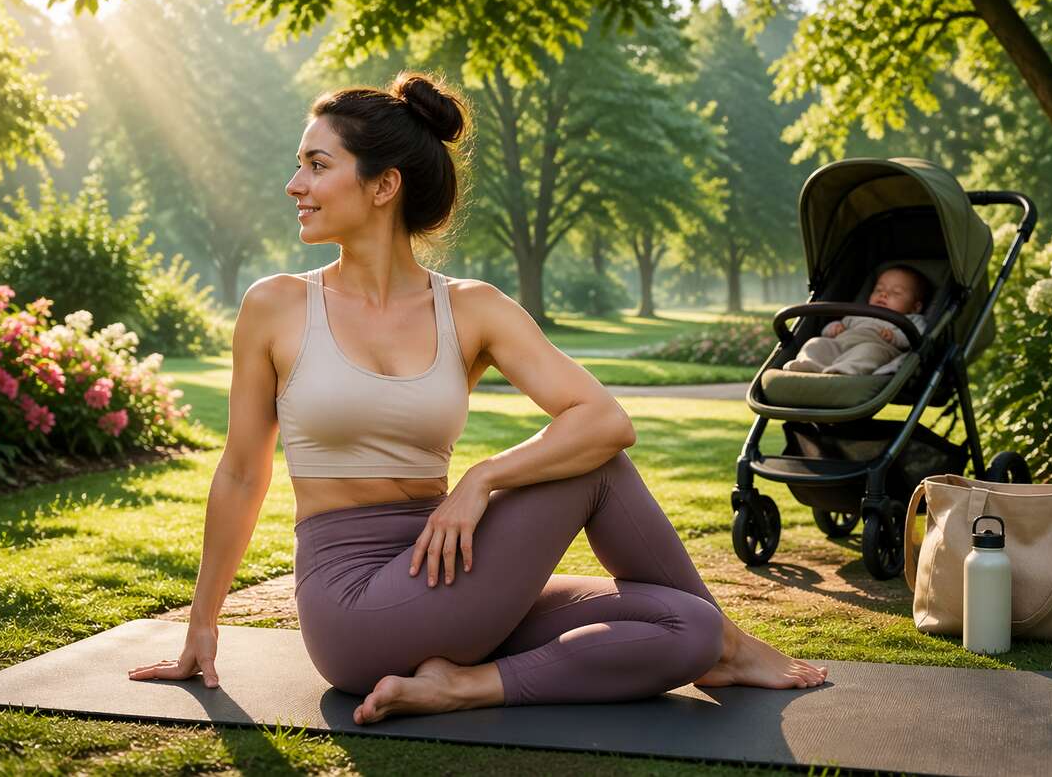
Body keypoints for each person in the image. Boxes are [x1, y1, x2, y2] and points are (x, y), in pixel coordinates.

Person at [126, 72, 828, 725]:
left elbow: (607, 419)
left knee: (687, 625)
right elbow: (245, 472)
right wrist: (201, 624)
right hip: (355, 607)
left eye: (316, 165)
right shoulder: (276, 306)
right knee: (590, 465)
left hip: (453, 572)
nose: (293, 184)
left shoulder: (471, 308)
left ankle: (469, 683)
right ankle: (733, 651)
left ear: (383, 186)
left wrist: (483, 479)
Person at [782, 266, 930, 375]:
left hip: (879, 348)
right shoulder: (859, 313)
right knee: (816, 343)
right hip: (841, 346)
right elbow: (836, 328)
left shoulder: (912, 319)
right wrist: (834, 328)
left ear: (915, 307)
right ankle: (808, 365)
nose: (884, 294)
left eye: (896, 293)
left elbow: (917, 338)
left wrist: (896, 338)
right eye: (879, 290)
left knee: (868, 351)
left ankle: (842, 372)